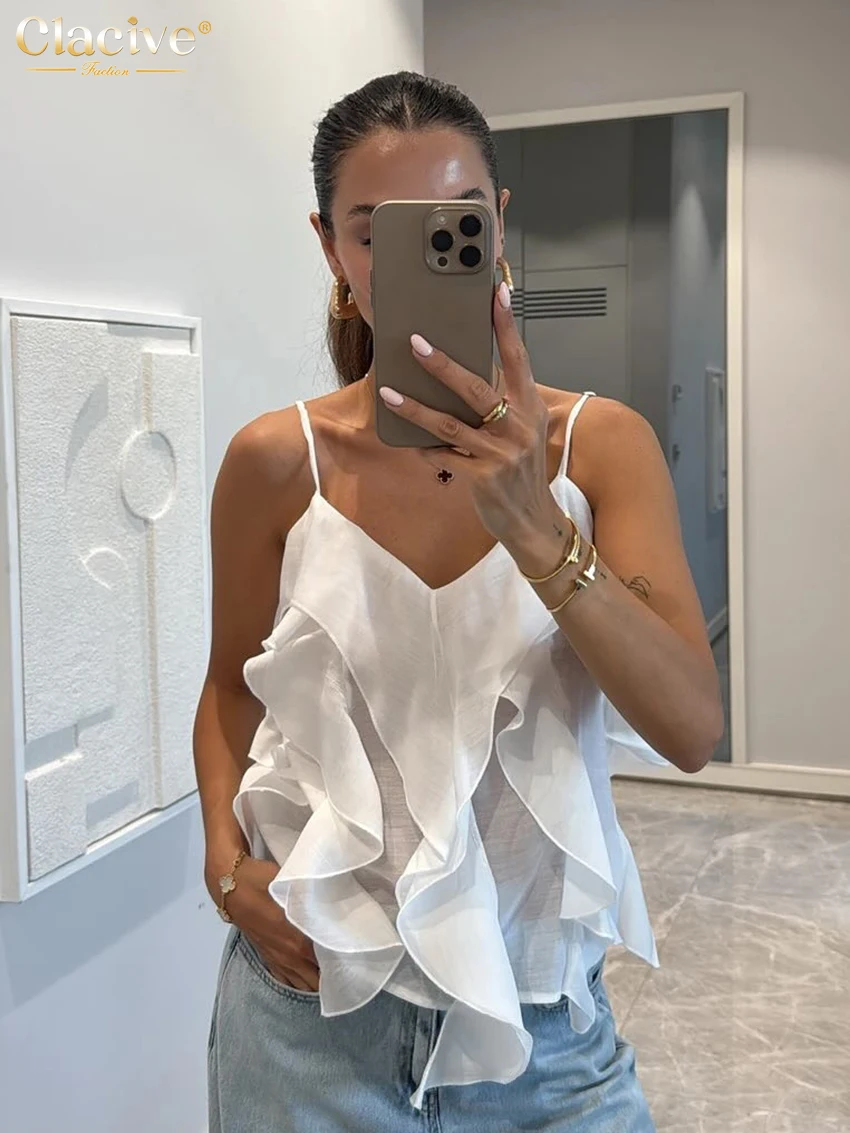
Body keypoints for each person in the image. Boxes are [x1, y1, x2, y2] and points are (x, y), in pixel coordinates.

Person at [195, 70, 723, 1133]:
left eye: (457, 221)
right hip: (308, 1024)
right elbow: (230, 688)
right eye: (373, 231)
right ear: (331, 248)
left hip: (546, 1037)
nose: (420, 254)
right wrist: (226, 867)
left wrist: (535, 525)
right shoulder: (275, 460)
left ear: (497, 223)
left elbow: (689, 730)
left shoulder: (598, 448)